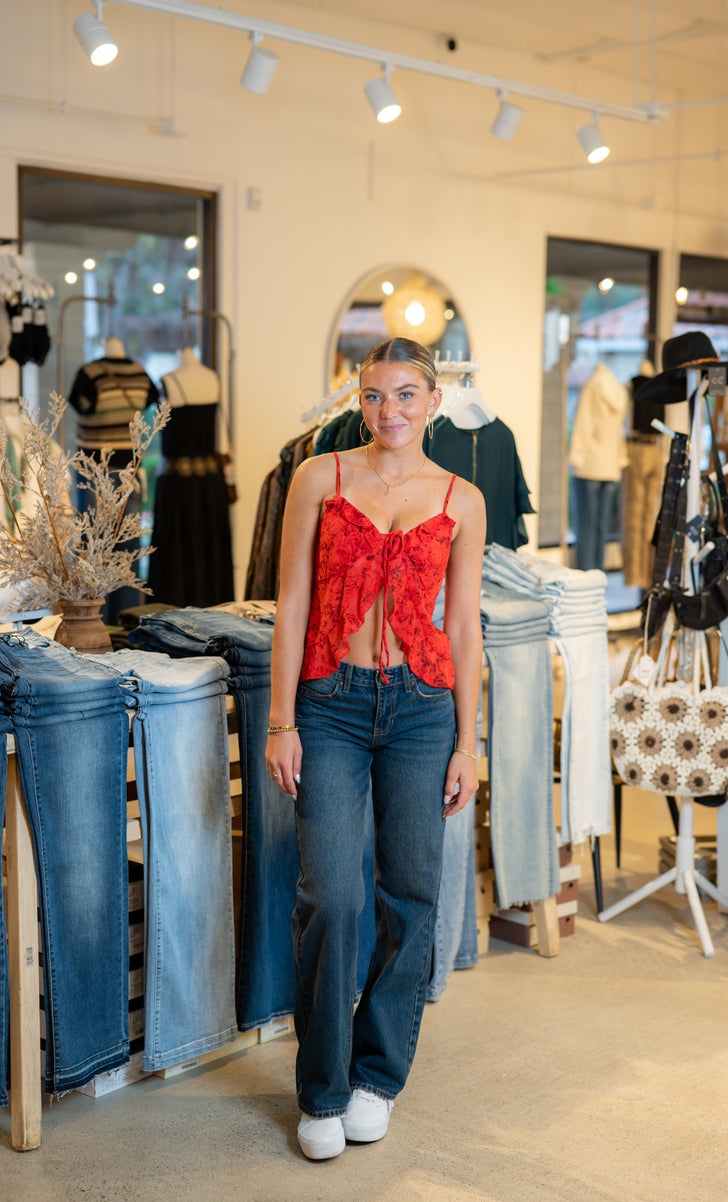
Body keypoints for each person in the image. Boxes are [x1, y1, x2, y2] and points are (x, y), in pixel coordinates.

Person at [267, 337, 486, 1161]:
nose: (386, 411)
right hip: (328, 704)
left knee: (411, 894)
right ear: (356, 402)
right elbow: (290, 604)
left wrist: (470, 738)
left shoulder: (461, 497)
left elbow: (463, 627)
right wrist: (281, 720)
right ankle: (321, 1087)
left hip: (423, 711)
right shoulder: (319, 478)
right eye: (370, 396)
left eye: (403, 395)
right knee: (331, 895)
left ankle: (377, 1075)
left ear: (433, 402)